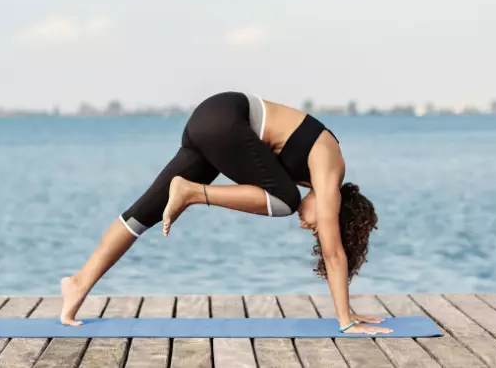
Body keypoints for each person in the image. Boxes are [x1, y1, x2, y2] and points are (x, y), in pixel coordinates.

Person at [60, 91, 392, 335]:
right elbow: (334, 253)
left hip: (211, 120)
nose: (309, 227)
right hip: (226, 122)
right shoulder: (330, 165)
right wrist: (345, 321)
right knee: (285, 200)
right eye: (320, 225)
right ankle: (192, 193)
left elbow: (331, 246)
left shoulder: (313, 174)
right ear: (335, 207)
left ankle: (77, 284)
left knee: (142, 215)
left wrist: (347, 308)